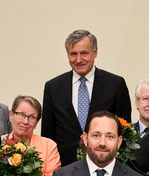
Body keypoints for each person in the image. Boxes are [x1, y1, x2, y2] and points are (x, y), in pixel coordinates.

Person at [41, 29, 132, 167]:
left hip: (105, 165)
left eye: (84, 53)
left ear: (95, 52)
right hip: (64, 168)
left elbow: (124, 131)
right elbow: (47, 136)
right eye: (73, 54)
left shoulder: (115, 85)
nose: (78, 59)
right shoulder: (53, 87)